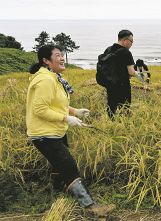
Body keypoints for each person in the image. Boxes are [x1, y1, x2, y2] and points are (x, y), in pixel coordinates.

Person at [26, 45, 115, 217]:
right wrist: (67, 118)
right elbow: (40, 109)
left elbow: (56, 104)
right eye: (57, 55)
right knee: (68, 166)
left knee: (60, 165)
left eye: (62, 54)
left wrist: (75, 111)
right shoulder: (45, 80)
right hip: (44, 134)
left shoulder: (53, 77)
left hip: (54, 131)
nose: (61, 58)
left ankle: (58, 198)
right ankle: (91, 208)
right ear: (46, 60)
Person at [103, 30, 136, 118]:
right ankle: (123, 126)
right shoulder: (126, 52)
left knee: (111, 106)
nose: (132, 44)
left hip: (110, 84)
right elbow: (131, 72)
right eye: (131, 41)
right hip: (123, 85)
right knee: (125, 107)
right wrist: (137, 74)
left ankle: (112, 124)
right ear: (125, 40)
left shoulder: (108, 49)